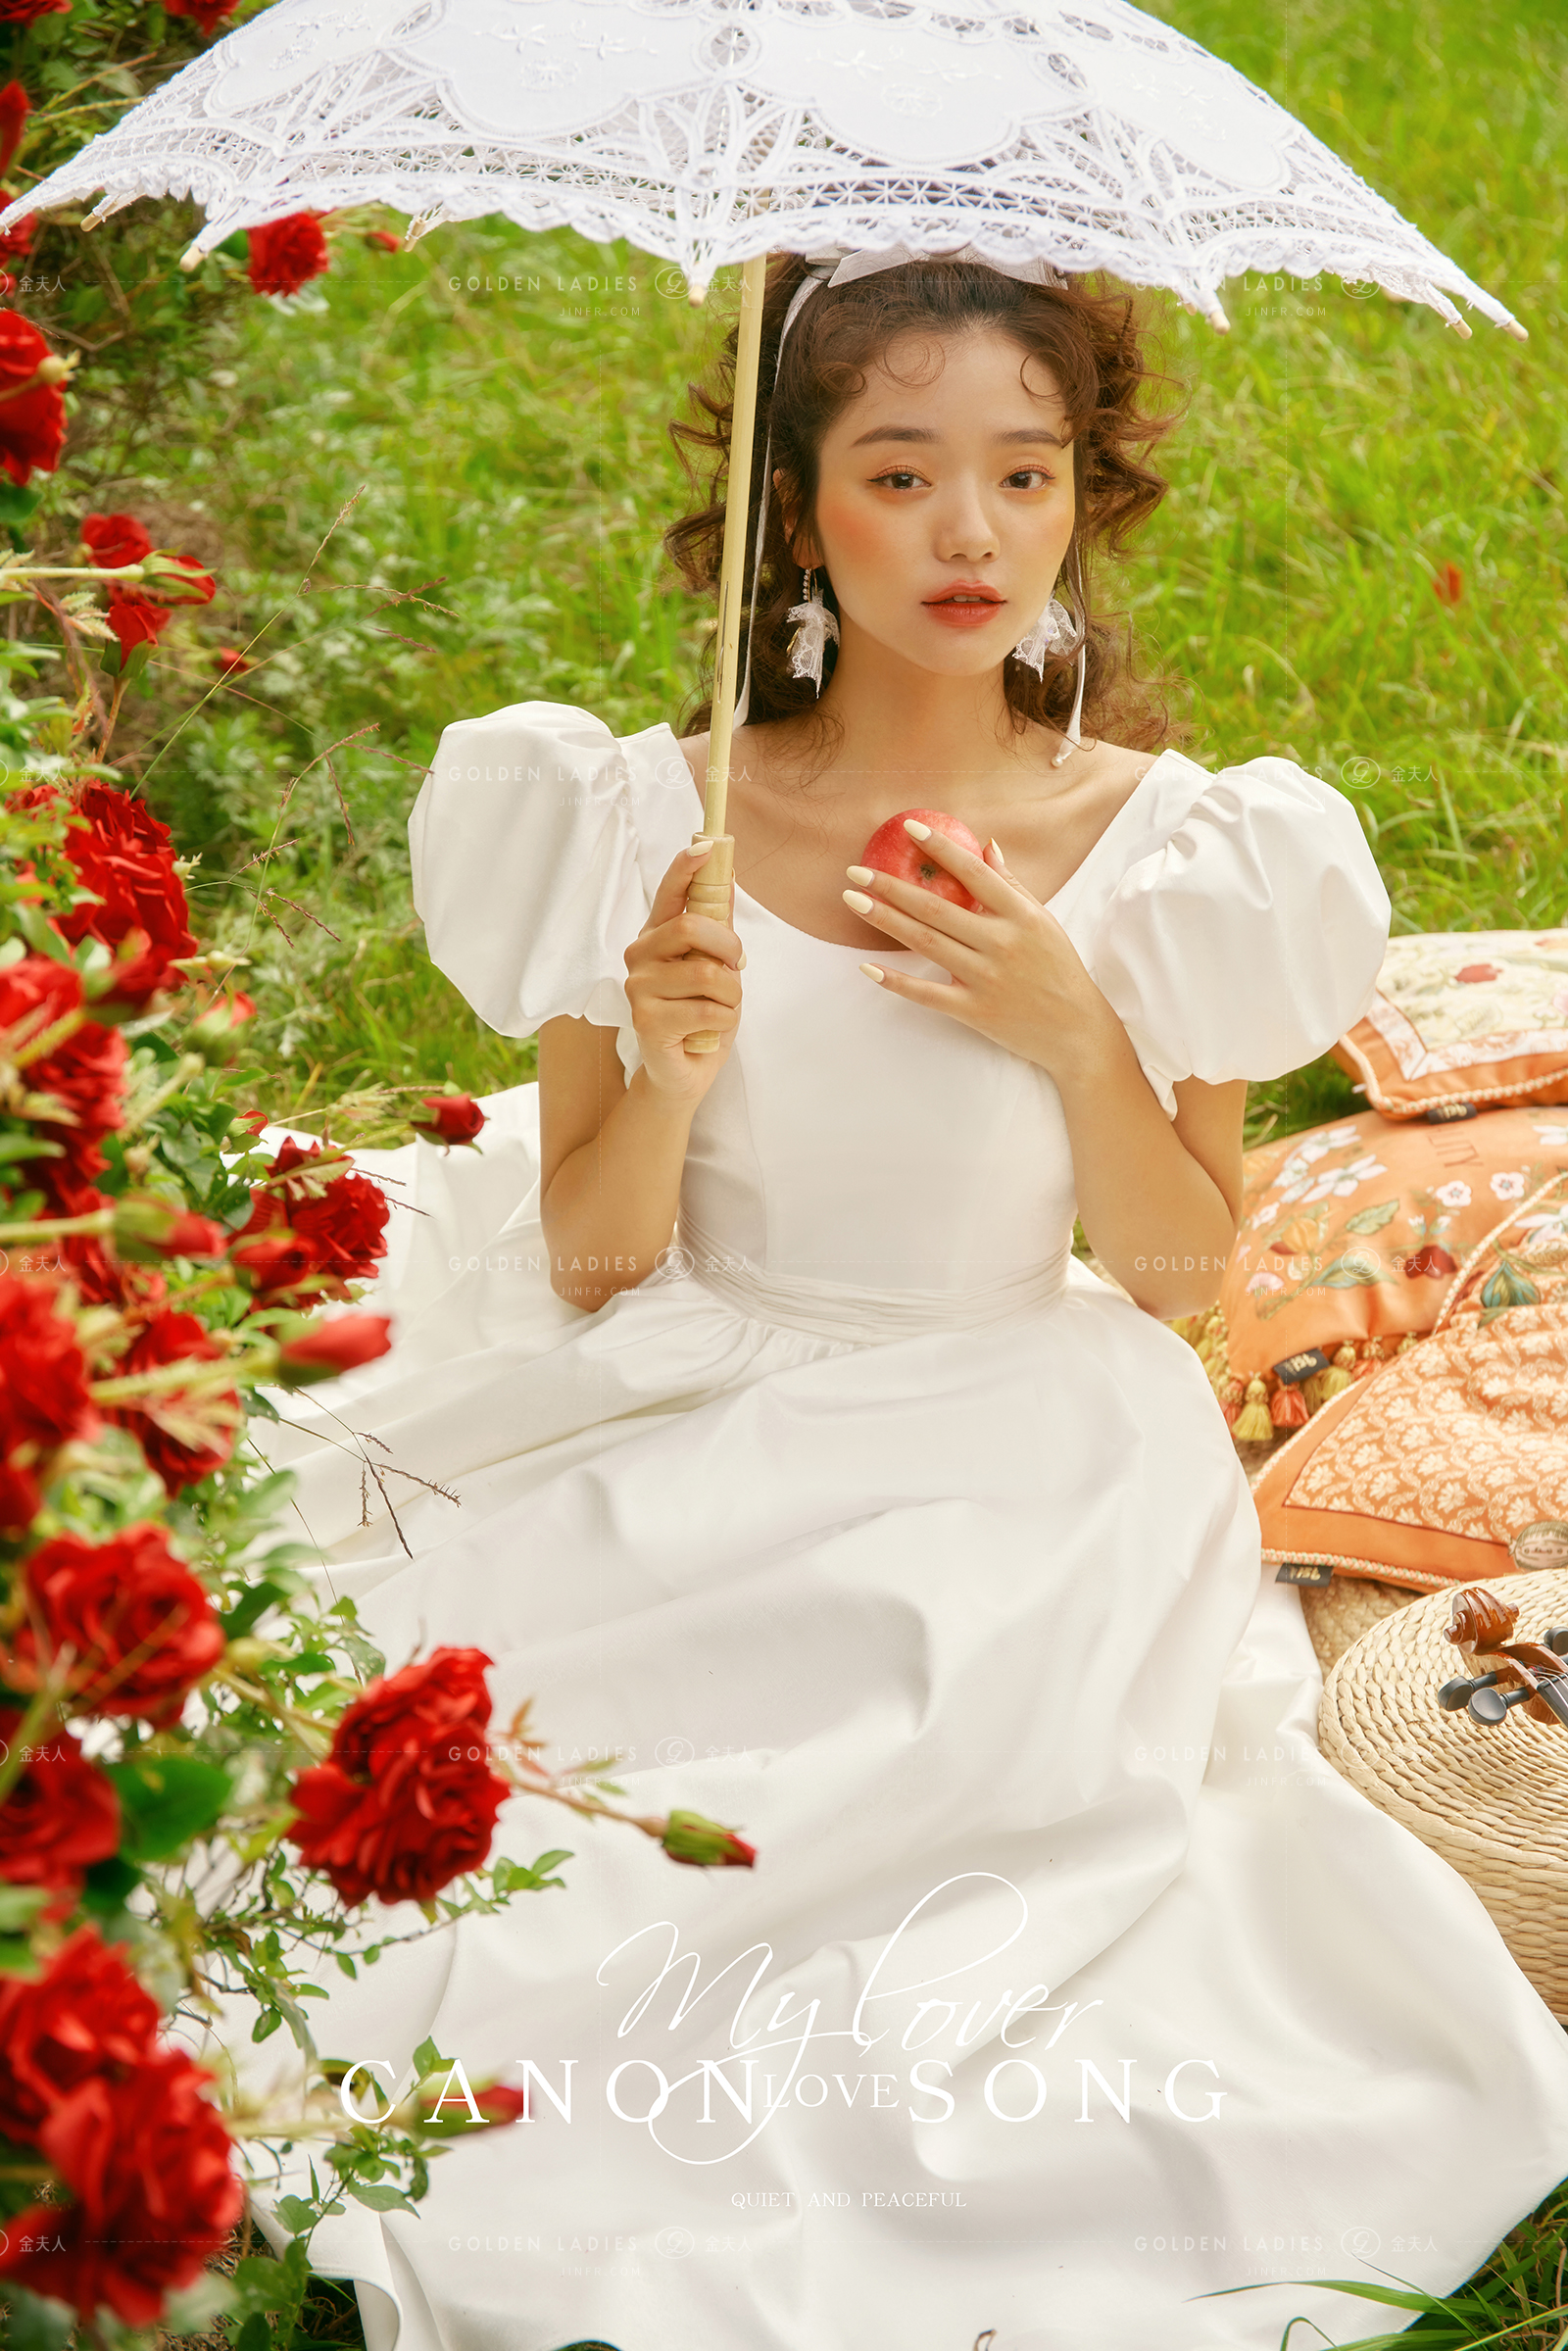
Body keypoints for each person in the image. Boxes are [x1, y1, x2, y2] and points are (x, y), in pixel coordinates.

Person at [253, 254, 1568, 2351]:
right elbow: (593, 1263)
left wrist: (1071, 1032)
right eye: (899, 474)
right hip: (697, 1393)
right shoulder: (646, 817)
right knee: (526, 1828)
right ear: (795, 514)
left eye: (1021, 475)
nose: (969, 533)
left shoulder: (1173, 852)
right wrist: (672, 1065)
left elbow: (1173, 1282)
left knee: (916, 1801)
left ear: (1078, 499)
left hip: (1021, 1455)